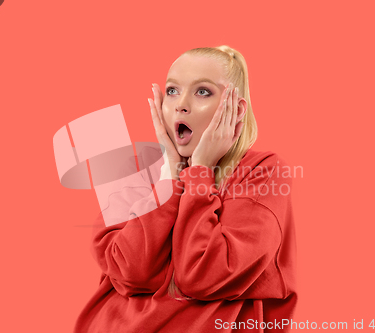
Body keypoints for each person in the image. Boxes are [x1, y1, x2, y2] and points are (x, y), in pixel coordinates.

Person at [74, 45, 297, 333]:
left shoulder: (262, 170)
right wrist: (170, 174)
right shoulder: (137, 171)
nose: (181, 104)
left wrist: (200, 171)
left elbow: (205, 274)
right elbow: (131, 270)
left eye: (202, 91)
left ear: (236, 108)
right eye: (172, 91)